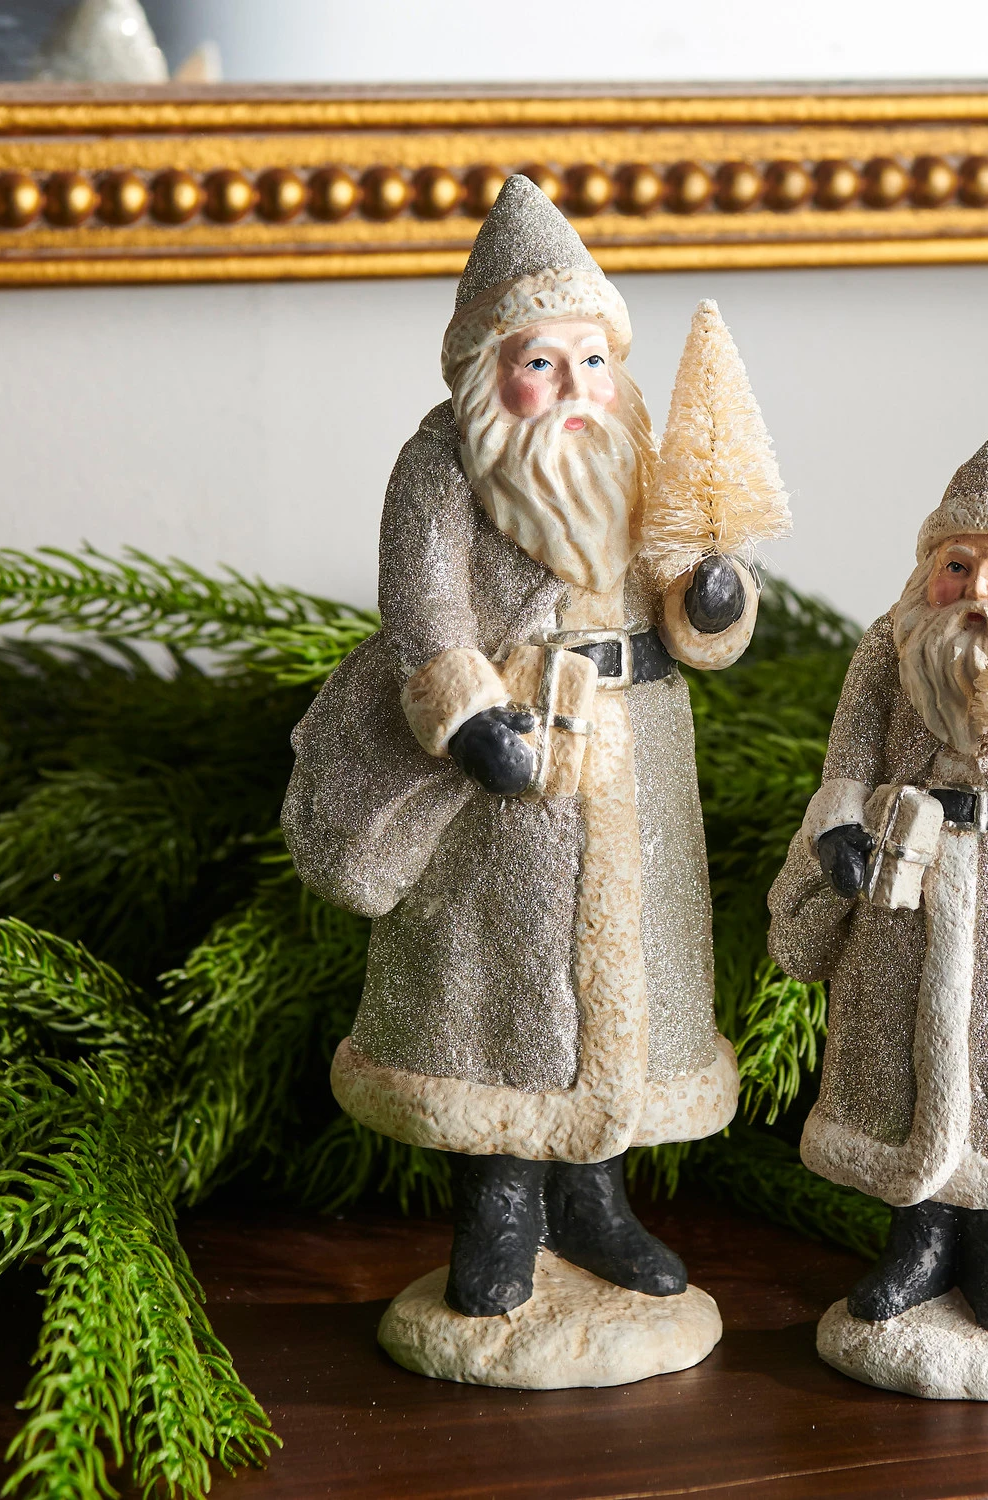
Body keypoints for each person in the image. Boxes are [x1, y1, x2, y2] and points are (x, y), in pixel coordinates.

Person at [283, 174, 755, 1318]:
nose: (574, 385)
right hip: (517, 760)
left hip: (635, 753)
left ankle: (596, 1199)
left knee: (631, 983)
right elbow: (423, 609)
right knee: (509, 991)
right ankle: (499, 1208)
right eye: (542, 361)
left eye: (591, 359)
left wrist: (711, 597)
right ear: (488, 368)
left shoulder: (639, 450)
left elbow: (685, 592)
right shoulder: (441, 464)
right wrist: (466, 715)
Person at [768, 422, 988, 1340]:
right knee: (900, 1055)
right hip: (908, 892)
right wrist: (838, 830)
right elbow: (847, 762)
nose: (976, 588)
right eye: (957, 565)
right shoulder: (886, 650)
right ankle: (917, 1240)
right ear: (929, 567)